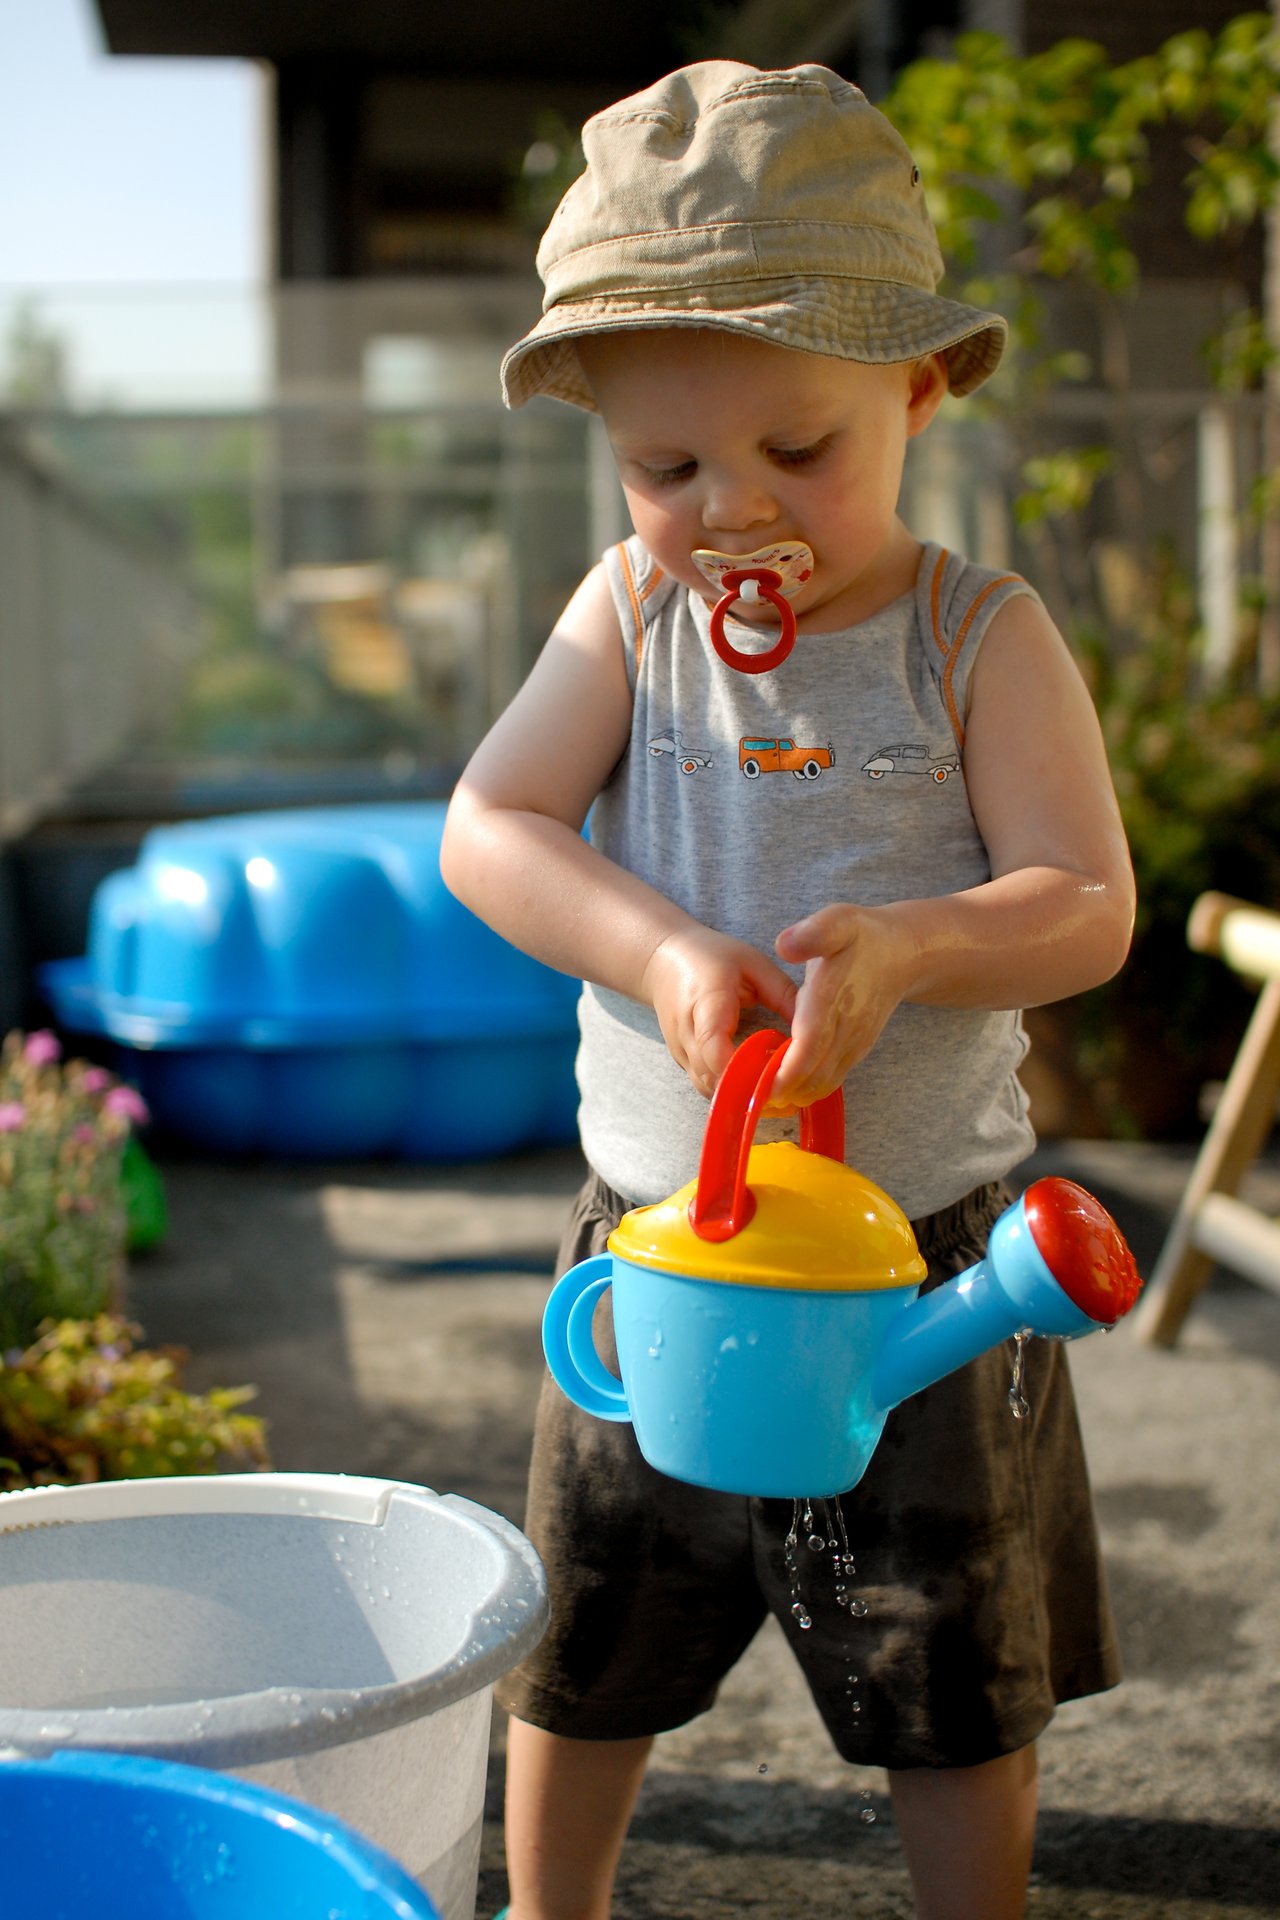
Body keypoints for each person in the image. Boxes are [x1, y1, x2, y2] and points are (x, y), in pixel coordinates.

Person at [441, 59, 1135, 1920]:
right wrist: (659, 946)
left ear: (919, 390)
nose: (732, 509)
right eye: (666, 468)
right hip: (657, 1253)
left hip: (922, 1260)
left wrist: (919, 944)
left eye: (797, 451)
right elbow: (491, 823)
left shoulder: (975, 635)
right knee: (587, 1646)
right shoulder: (632, 615)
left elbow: (1085, 905)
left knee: (953, 1681)